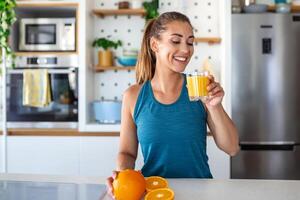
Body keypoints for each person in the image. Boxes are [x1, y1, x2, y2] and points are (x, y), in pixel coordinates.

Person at [106, 11, 239, 197]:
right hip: (153, 193)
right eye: (176, 41)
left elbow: (232, 148)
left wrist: (214, 105)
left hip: (200, 193)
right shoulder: (133, 96)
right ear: (155, 45)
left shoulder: (199, 90)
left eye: (190, 42)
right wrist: (122, 176)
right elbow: (127, 153)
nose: (186, 50)